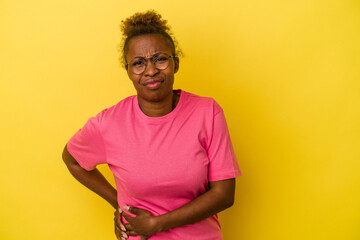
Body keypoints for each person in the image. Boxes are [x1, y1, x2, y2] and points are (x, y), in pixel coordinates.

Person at [62, 9, 241, 240]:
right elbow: (73, 159)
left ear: (175, 63)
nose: (151, 70)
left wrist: (157, 224)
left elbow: (224, 194)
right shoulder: (108, 123)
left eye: (160, 59)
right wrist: (119, 203)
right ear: (128, 71)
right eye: (138, 63)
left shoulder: (208, 112)